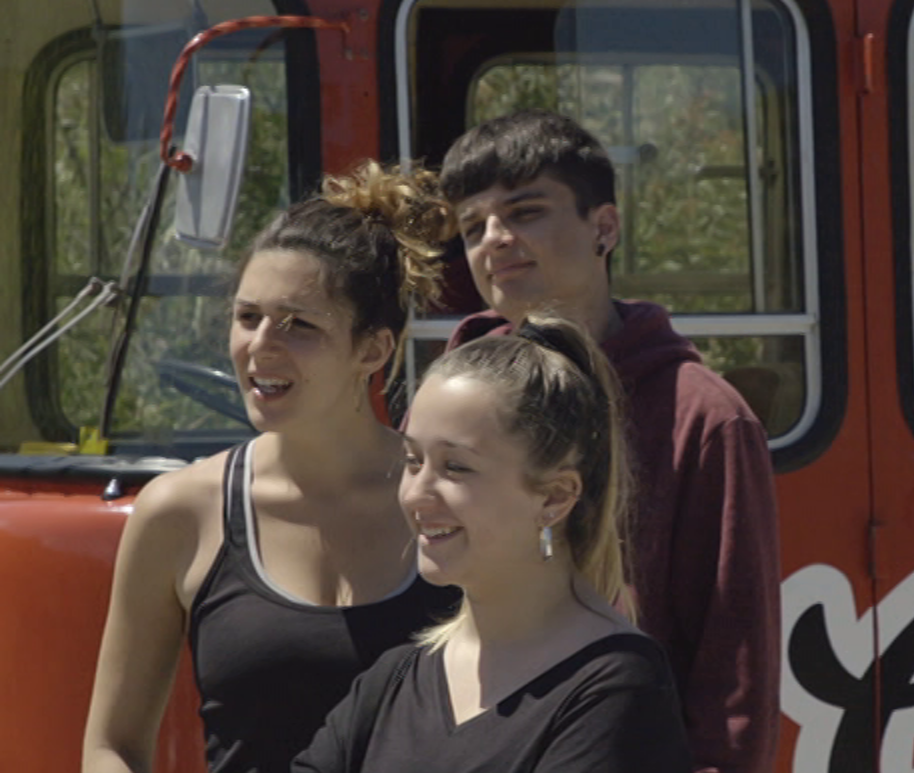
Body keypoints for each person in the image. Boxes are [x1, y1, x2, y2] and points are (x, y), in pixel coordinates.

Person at [82, 163, 462, 773]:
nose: (260, 345)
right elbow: (111, 746)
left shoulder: (449, 498)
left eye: (299, 325)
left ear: (373, 349)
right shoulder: (179, 511)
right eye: (247, 317)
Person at [434, 109, 781, 773]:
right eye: (473, 227)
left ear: (605, 227)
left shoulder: (705, 419)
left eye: (525, 212)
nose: (495, 240)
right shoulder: (450, 402)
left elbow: (735, 675)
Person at [292, 316, 693, 773]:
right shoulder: (393, 680)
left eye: (456, 467)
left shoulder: (616, 686)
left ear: (555, 497)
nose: (416, 494)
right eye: (412, 460)